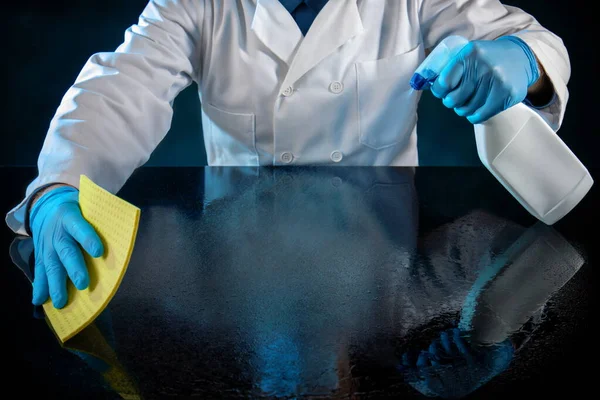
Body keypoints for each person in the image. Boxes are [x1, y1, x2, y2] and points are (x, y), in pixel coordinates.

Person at [6, 0, 569, 308]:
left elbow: (538, 43)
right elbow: (123, 85)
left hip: (380, 242)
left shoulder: (396, 311)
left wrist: (520, 58)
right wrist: (59, 186)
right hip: (240, 251)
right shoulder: (196, 6)